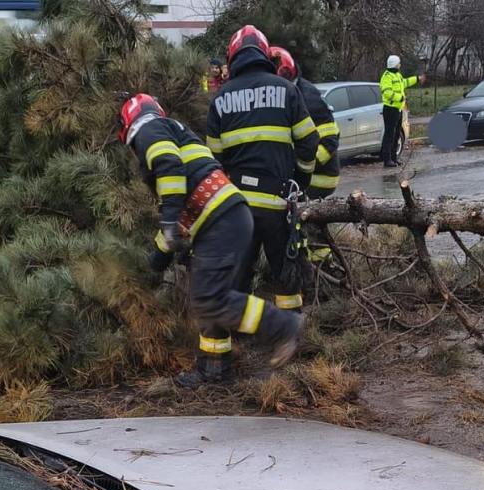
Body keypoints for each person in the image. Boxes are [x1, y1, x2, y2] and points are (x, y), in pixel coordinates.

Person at [118, 93, 303, 387]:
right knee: (204, 298)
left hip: (220, 220)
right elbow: (178, 211)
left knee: (210, 297)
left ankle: (283, 326)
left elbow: (168, 168)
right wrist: (157, 256)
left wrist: (167, 222)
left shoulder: (150, 130)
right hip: (224, 218)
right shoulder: (173, 132)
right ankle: (214, 370)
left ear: (129, 128)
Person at [207, 25, 320, 313]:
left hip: (238, 208)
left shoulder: (220, 99)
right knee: (286, 275)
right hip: (277, 202)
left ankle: (240, 336)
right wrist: (301, 179)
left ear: (232, 58)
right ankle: (289, 334)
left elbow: (214, 158)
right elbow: (309, 141)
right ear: (263, 54)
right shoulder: (287, 90)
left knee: (239, 277)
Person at [269, 46, 340, 200]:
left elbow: (330, 141)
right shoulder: (293, 92)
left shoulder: (307, 98)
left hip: (319, 178)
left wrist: (300, 166)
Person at [379, 55, 425, 167]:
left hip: (398, 109)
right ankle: (387, 159)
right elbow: (386, 92)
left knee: (396, 134)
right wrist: (400, 98)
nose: (400, 65)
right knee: (389, 134)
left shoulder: (397, 75)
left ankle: (394, 158)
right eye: (399, 63)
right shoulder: (387, 76)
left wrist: (417, 79)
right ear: (395, 64)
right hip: (390, 109)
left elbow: (405, 82)